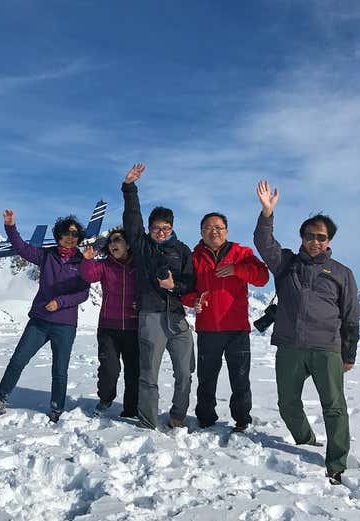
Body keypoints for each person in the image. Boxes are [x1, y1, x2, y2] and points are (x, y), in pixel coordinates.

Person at [253, 180, 360, 485]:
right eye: (309, 235)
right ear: (301, 237)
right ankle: (305, 440)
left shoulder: (342, 273)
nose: (314, 241)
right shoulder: (285, 262)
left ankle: (336, 461)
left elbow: (351, 316)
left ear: (329, 241)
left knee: (335, 408)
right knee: (287, 402)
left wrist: (348, 354)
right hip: (289, 346)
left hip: (327, 349)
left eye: (321, 237)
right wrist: (267, 213)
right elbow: (263, 242)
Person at [0, 210, 91, 423]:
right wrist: (10, 226)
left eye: (75, 234)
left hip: (65, 325)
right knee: (17, 360)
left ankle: (56, 409)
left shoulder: (82, 261)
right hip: (39, 321)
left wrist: (60, 302)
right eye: (67, 232)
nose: (71, 237)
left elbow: (83, 293)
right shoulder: (47, 255)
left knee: (60, 370)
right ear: (58, 234)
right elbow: (21, 248)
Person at [121, 163, 196, 430]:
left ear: (172, 228)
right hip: (150, 316)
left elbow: (190, 284)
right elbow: (132, 220)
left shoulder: (183, 250)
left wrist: (174, 286)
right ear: (150, 229)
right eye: (156, 229)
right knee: (148, 373)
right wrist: (130, 188)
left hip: (176, 318)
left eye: (165, 228)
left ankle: (178, 415)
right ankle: (148, 420)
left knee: (185, 372)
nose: (161, 233)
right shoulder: (142, 246)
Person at [181, 212, 269, 432]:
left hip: (237, 330)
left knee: (240, 379)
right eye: (208, 228)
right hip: (208, 329)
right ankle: (205, 419)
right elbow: (185, 290)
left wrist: (238, 270)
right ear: (201, 232)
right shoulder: (193, 258)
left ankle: (242, 420)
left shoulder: (242, 253)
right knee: (206, 379)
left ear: (227, 231)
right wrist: (194, 302)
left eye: (219, 227)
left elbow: (262, 277)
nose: (214, 231)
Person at [80, 227, 139, 418]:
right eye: (111, 241)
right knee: (109, 369)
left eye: (118, 240)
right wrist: (88, 259)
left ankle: (131, 408)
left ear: (128, 244)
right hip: (108, 328)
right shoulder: (105, 265)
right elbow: (89, 275)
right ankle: (105, 399)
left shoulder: (138, 266)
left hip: (133, 328)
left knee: (133, 371)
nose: (113, 244)